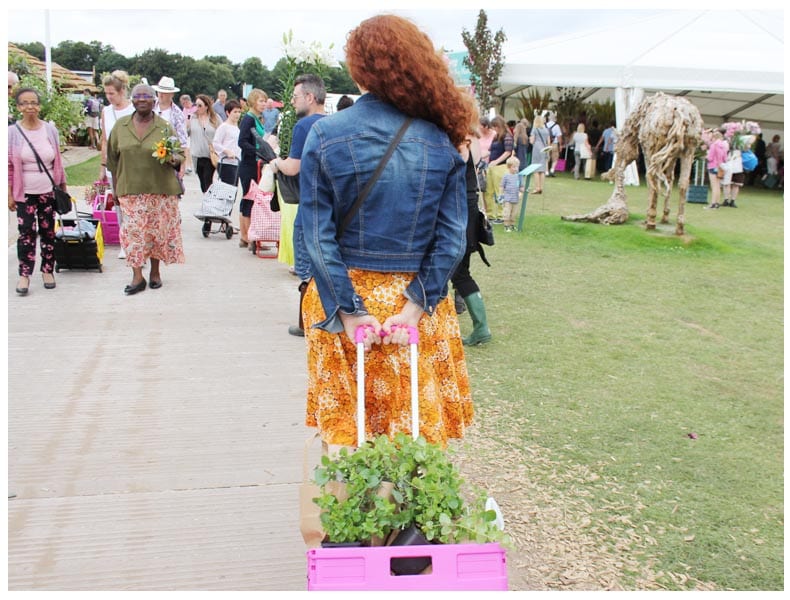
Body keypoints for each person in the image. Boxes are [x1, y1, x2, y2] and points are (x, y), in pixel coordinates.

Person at [299, 14, 473, 450]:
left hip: (343, 302)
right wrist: (415, 306)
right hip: (410, 306)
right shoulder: (441, 141)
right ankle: (408, 519)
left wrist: (349, 311)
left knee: (346, 437)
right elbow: (452, 239)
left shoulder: (325, 134)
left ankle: (348, 515)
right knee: (414, 438)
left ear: (359, 69)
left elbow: (316, 236)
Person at [105, 83, 185, 294]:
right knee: (132, 233)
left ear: (154, 101)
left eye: (146, 96)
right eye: (137, 96)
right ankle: (137, 276)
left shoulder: (164, 127)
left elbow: (179, 156)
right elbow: (112, 161)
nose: (142, 99)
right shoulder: (121, 127)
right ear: (132, 100)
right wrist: (115, 190)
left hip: (159, 189)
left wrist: (172, 158)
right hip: (129, 189)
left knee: (156, 233)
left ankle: (155, 272)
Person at [269, 73, 327, 337]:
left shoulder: (304, 127)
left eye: (295, 97)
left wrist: (275, 160)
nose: (292, 102)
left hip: (309, 206)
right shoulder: (333, 124)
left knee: (306, 270)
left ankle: (307, 322)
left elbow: (293, 167)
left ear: (310, 97)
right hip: (331, 208)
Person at [8, 87, 68, 295]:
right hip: (24, 193)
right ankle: (24, 275)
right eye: (24, 103)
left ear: (39, 106)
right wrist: (9, 194)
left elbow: (58, 161)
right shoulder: (11, 133)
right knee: (26, 234)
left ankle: (47, 270)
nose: (30, 107)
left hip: (48, 191)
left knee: (48, 232)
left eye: (33, 102)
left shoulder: (49, 130)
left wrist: (62, 187)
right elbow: (8, 166)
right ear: (18, 107)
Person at [451, 117, 492, 346]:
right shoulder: (464, 144)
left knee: (458, 274)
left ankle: (481, 327)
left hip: (459, 215)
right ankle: (481, 326)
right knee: (460, 273)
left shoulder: (457, 146)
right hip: (466, 212)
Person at [99, 70, 135, 260]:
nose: (109, 97)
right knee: (119, 203)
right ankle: (124, 241)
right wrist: (102, 166)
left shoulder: (133, 109)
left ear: (122, 91)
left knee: (133, 203)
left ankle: (135, 239)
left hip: (132, 165)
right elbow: (104, 140)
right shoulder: (106, 111)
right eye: (106, 93)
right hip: (114, 165)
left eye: (112, 93)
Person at [237, 88, 269, 247]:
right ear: (253, 102)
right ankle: (247, 236)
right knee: (248, 199)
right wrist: (257, 151)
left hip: (255, 163)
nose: (263, 104)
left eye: (264, 101)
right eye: (261, 101)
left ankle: (248, 236)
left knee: (251, 198)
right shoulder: (249, 119)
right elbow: (242, 141)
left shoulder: (257, 118)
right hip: (249, 164)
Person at [152, 76, 189, 178]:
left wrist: (183, 164)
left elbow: (183, 140)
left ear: (171, 94)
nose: (161, 95)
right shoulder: (150, 108)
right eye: (159, 91)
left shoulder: (178, 114)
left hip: (170, 156)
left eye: (164, 92)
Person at [187, 94, 221, 193]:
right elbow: (186, 133)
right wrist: (187, 122)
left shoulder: (215, 118)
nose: (197, 108)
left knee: (208, 180)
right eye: (196, 105)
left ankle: (209, 204)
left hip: (210, 154)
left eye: (200, 105)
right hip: (196, 155)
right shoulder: (193, 118)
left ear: (206, 106)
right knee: (202, 182)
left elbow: (222, 131)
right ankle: (208, 200)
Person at [483, 115, 513, 224]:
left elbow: (508, 152)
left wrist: (497, 161)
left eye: (495, 127)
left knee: (500, 192)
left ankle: (501, 215)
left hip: (501, 167)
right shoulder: (496, 137)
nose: (494, 129)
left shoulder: (507, 136)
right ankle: (490, 215)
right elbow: (490, 151)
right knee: (488, 191)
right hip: (491, 167)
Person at [212, 99, 242, 186]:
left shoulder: (236, 127)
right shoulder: (224, 127)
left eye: (239, 112)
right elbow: (216, 143)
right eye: (235, 112)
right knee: (228, 190)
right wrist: (226, 151)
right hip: (226, 163)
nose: (237, 114)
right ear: (228, 113)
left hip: (236, 162)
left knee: (233, 190)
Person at [705, 128, 729, 210]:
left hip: (712, 166)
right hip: (720, 167)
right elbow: (725, 158)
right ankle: (717, 203)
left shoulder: (713, 145)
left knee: (714, 186)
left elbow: (710, 158)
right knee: (718, 186)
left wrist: (706, 156)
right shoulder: (724, 146)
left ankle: (713, 203)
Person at [499, 155, 524, 232]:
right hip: (508, 199)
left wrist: (522, 191)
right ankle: (506, 226)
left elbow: (521, 186)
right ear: (509, 167)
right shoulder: (506, 176)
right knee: (507, 213)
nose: (516, 169)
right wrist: (501, 195)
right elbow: (502, 186)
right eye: (514, 167)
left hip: (515, 198)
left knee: (514, 213)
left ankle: (512, 225)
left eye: (517, 167)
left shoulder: (519, 176)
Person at [528, 112, 550, 194]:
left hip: (537, 148)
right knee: (542, 169)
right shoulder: (546, 130)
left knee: (536, 169)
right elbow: (548, 141)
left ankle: (537, 187)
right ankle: (541, 187)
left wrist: (530, 141)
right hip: (545, 148)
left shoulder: (535, 129)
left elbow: (532, 140)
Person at [545, 112, 563, 176]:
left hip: (546, 144)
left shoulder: (545, 125)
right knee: (555, 157)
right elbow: (559, 136)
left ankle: (546, 171)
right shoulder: (556, 126)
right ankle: (552, 170)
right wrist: (560, 145)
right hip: (554, 144)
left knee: (546, 158)